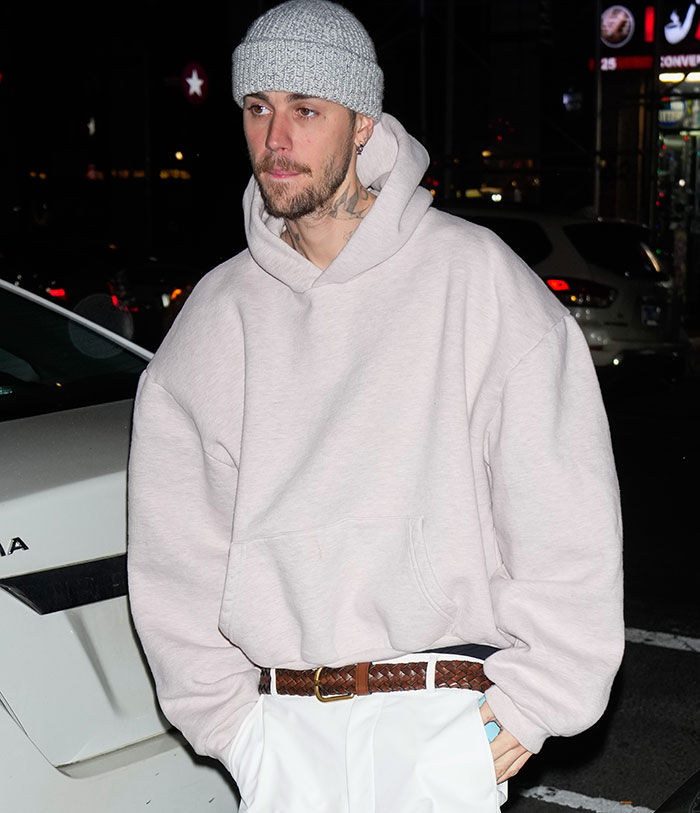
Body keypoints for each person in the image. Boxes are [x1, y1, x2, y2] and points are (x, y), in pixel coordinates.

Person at [127, 2, 624, 811]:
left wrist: (536, 701)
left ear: (362, 123)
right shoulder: (214, 320)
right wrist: (233, 728)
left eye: (306, 110)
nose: (275, 138)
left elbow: (564, 511)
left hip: (441, 713)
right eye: (257, 108)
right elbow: (174, 555)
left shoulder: (475, 280)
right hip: (282, 728)